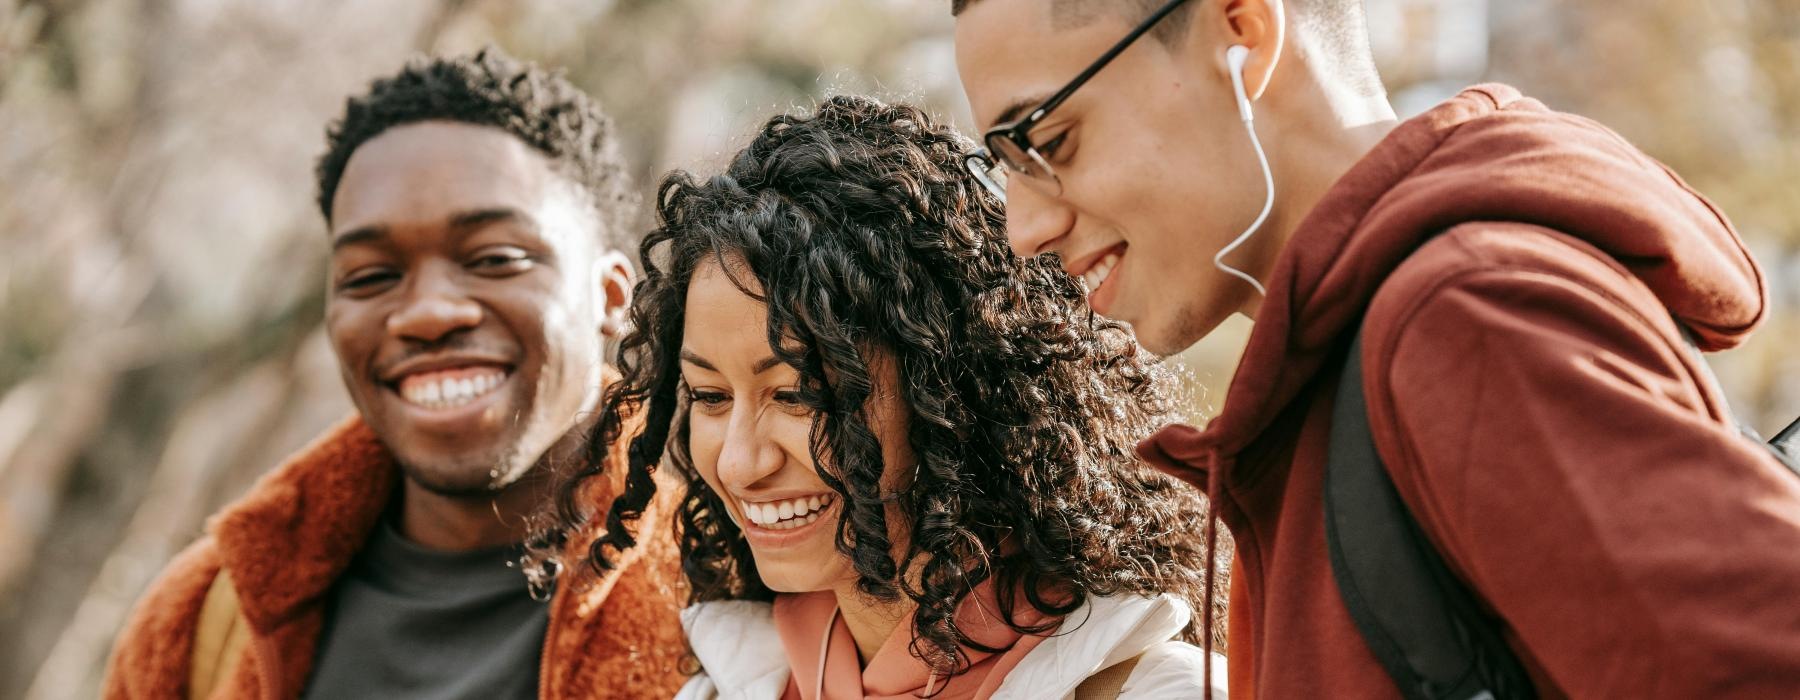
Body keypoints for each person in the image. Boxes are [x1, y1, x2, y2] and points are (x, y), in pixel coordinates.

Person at [950, 0, 1800, 696]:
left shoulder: (1461, 324)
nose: (1025, 231)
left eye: (1048, 141)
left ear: (1242, 31)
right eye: (1004, 168)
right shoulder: (1333, 378)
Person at [547, 94, 1228, 699]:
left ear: (952, 391)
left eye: (798, 395)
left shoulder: (1156, 687)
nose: (739, 463)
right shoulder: (722, 684)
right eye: (710, 396)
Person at [102, 48, 688, 698]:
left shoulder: (730, 604)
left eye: (495, 257)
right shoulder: (203, 618)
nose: (427, 314)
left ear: (610, 297)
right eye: (372, 276)